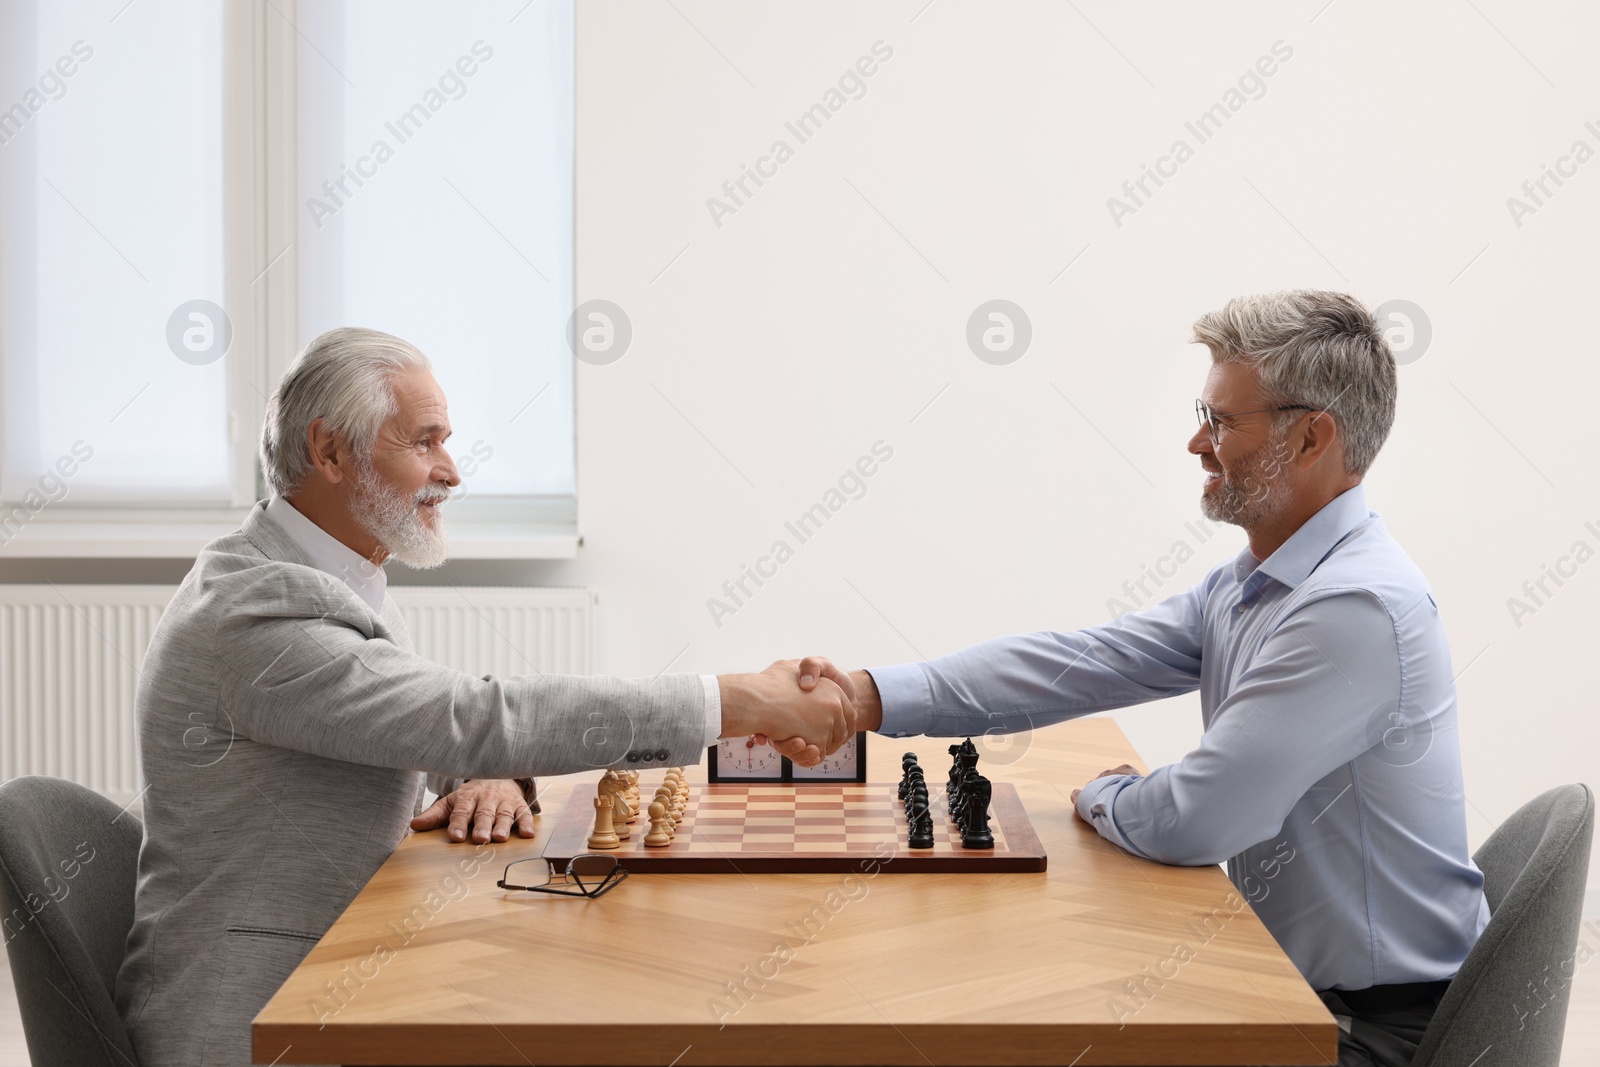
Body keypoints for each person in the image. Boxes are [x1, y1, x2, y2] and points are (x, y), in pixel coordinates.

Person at [113, 327, 855, 1067]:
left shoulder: (320, 573)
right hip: (251, 1020)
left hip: (335, 973)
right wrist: (737, 700)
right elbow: (466, 716)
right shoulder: (259, 613)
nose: (452, 471)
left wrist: (478, 770)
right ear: (331, 451)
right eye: (424, 442)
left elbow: (396, 723)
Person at [794, 291, 1486, 1067]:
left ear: (1310, 438)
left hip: (1366, 1036)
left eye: (1222, 420)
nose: (1197, 442)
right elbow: (1079, 662)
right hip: (1295, 996)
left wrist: (1102, 794)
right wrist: (865, 695)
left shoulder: (1354, 609)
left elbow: (1197, 818)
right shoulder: (1258, 583)